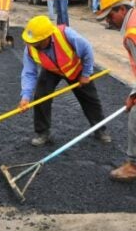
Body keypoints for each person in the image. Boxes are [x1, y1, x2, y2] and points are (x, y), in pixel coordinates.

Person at [19, 15, 111, 146]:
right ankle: (43, 133)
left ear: (47, 37)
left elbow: (87, 50)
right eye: (32, 42)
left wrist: (86, 74)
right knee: (41, 97)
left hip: (75, 68)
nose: (33, 45)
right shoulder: (30, 47)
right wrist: (25, 96)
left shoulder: (66, 34)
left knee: (90, 99)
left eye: (37, 43)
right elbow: (28, 72)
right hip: (51, 69)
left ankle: (100, 129)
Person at [96, 0, 136, 180]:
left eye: (109, 15)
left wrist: (134, 96)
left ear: (121, 9)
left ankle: (133, 166)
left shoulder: (132, 33)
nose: (108, 20)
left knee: (135, 115)